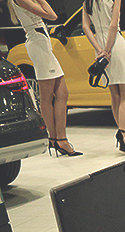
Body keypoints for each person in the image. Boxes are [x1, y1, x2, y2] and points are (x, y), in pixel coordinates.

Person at [10, 0, 80, 156]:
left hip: (42, 41)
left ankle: (58, 139)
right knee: (47, 96)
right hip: (38, 42)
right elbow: (52, 15)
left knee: (62, 93)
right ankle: (57, 139)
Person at [82, 0, 125, 152]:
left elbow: (86, 28)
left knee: (115, 95)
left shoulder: (87, 2)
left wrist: (100, 51)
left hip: (99, 45)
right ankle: (122, 132)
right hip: (115, 44)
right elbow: (113, 25)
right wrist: (107, 50)